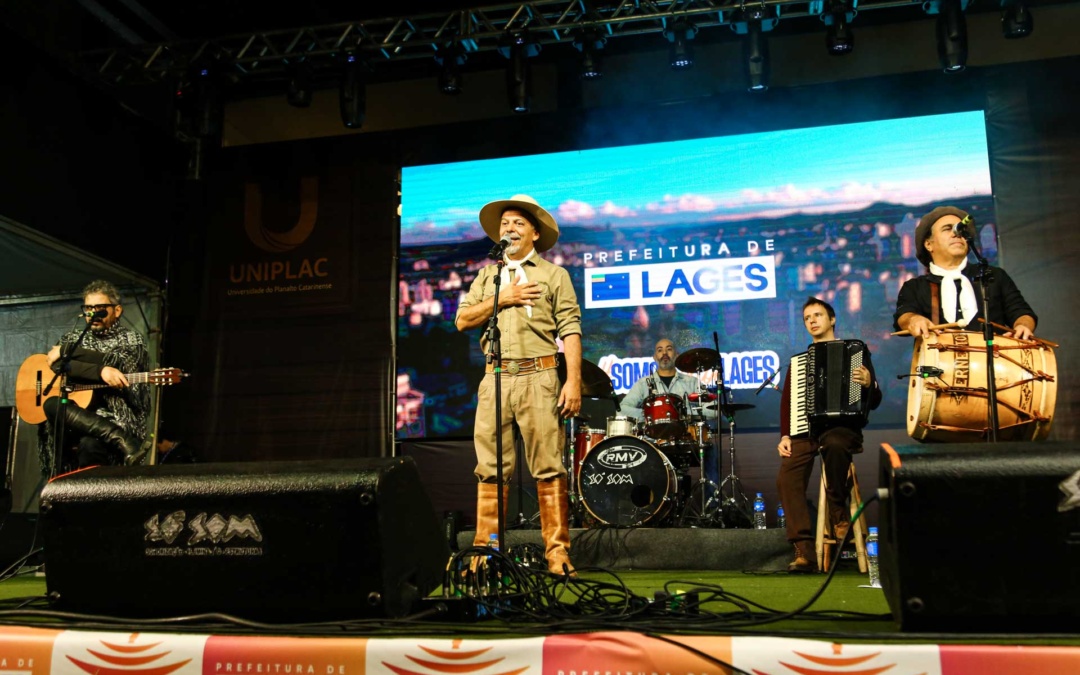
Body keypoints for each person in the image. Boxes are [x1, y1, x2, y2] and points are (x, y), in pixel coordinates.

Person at [455, 194, 582, 575]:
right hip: (495, 378)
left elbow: (571, 330)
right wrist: (504, 297)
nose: (509, 228)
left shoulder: (553, 275)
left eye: (518, 223)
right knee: (490, 469)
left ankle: (557, 554)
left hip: (540, 376)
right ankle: (485, 553)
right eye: (505, 223)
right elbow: (462, 320)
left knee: (548, 466)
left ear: (535, 233)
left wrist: (572, 381)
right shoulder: (488, 277)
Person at [776, 297, 881, 573]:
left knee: (834, 444)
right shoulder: (800, 363)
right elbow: (788, 401)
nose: (812, 320)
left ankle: (837, 509)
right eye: (807, 317)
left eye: (818, 315)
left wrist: (870, 384)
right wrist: (785, 435)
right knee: (787, 475)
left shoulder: (855, 351)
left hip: (841, 428)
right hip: (807, 431)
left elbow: (876, 399)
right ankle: (804, 551)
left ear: (832, 319)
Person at [40, 280, 150, 472]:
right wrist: (100, 371)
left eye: (100, 308)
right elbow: (55, 363)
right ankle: (119, 438)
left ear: (117, 311)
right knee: (51, 404)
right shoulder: (73, 338)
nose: (94, 314)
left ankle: (120, 439)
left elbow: (121, 362)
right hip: (74, 419)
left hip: (114, 416)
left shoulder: (132, 339)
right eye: (89, 308)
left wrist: (70, 352)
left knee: (90, 445)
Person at [895, 206, 1037, 340]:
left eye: (961, 229)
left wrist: (1022, 326)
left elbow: (1022, 312)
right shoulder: (914, 287)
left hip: (995, 361)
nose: (957, 233)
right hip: (939, 365)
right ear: (928, 244)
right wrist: (913, 319)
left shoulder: (993, 276)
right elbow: (904, 315)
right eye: (947, 229)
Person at [620, 338, 719, 483]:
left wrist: (687, 414)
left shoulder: (691, 382)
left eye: (669, 349)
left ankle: (712, 502)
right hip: (654, 442)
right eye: (659, 350)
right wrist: (647, 415)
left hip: (686, 440)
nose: (664, 353)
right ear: (655, 357)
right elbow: (621, 409)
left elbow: (715, 408)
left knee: (710, 450)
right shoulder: (643, 384)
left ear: (676, 355)